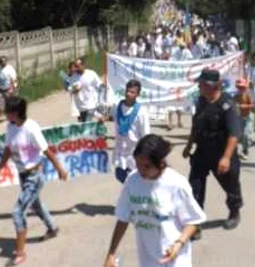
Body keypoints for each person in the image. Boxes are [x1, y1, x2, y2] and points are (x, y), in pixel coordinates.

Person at [104, 135, 206, 267]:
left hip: (175, 259)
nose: (141, 170)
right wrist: (111, 253)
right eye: (138, 164)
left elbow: (193, 221)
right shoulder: (132, 181)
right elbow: (123, 218)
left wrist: (179, 243)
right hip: (148, 259)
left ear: (161, 163)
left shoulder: (176, 184)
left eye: (147, 166)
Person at [0, 96, 69, 265]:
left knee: (18, 212)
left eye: (7, 111)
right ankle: (52, 228)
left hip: (34, 176)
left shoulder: (31, 129)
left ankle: (20, 251)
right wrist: (0, 168)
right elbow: (7, 149)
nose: (5, 114)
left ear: (15, 113)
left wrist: (60, 169)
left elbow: (47, 151)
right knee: (35, 204)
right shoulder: (10, 127)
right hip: (23, 175)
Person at [183, 68, 243, 238]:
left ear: (212, 86)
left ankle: (234, 211)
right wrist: (189, 145)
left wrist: (225, 158)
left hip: (222, 153)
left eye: (201, 84)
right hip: (202, 152)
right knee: (195, 187)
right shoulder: (201, 101)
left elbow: (234, 134)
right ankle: (196, 224)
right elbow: (196, 125)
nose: (199, 86)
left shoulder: (227, 105)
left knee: (231, 186)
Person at [107, 79, 151, 183]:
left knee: (135, 184)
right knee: (121, 177)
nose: (128, 94)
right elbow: (109, 116)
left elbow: (146, 136)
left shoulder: (141, 112)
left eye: (132, 92)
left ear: (138, 94)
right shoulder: (118, 107)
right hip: (120, 154)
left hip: (135, 156)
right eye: (127, 91)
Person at [70, 58, 103, 122]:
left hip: (91, 104)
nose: (76, 69)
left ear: (83, 65)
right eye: (75, 67)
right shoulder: (73, 77)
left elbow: (100, 85)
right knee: (84, 125)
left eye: (78, 66)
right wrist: (75, 90)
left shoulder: (91, 74)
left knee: (87, 124)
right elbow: (71, 90)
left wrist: (103, 89)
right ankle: (98, 131)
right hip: (80, 107)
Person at [234, 79, 254, 160]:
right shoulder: (236, 96)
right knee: (240, 135)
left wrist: (243, 106)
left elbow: (252, 105)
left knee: (246, 134)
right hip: (239, 117)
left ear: (245, 88)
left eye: (242, 87)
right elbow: (232, 104)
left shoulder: (248, 95)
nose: (241, 89)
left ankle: (246, 150)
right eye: (239, 87)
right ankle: (239, 150)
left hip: (248, 117)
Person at [0, 56, 18, 120]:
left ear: (6, 61)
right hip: (1, 89)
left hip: (9, 89)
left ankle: (13, 115)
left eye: (2, 61)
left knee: (10, 104)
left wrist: (13, 89)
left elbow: (13, 80)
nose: (1, 63)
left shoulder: (10, 69)